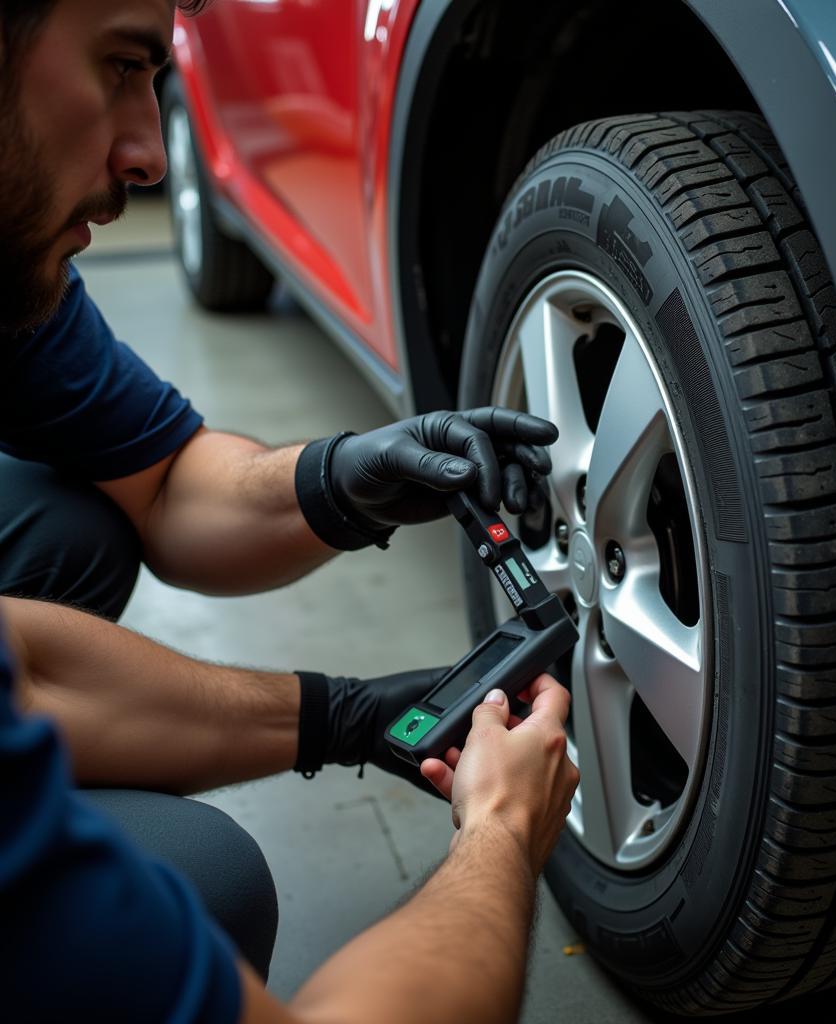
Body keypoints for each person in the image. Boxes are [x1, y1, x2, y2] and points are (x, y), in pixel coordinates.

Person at [0, 1, 580, 1021]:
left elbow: (164, 492)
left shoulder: (16, 280)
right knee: (207, 884)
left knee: (69, 528)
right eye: (123, 66)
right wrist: (496, 833)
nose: (149, 152)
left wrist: (337, 482)